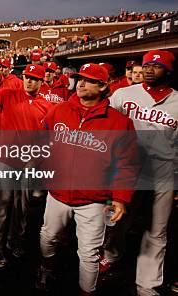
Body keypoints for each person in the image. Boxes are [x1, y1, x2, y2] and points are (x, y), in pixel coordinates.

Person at [36, 63, 140, 295]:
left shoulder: (119, 122)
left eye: (89, 80)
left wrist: (121, 198)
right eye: (79, 78)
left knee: (89, 253)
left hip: (94, 199)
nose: (81, 83)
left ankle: (87, 291)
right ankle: (46, 269)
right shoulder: (59, 110)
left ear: (103, 86)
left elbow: (127, 164)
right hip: (58, 193)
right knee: (48, 238)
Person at [104, 50, 177, 296]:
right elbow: (106, 125)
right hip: (128, 166)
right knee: (117, 220)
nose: (149, 69)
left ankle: (148, 285)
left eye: (157, 66)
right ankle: (110, 254)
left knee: (157, 230)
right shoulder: (123, 95)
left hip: (163, 169)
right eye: (147, 65)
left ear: (168, 71)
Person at [0, 64, 52, 268]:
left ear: (41, 82)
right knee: (0, 206)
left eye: (34, 78)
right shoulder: (8, 94)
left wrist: (35, 161)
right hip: (5, 160)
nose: (29, 81)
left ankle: (15, 242)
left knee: (22, 208)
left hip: (29, 164)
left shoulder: (46, 106)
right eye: (27, 77)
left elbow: (46, 139)